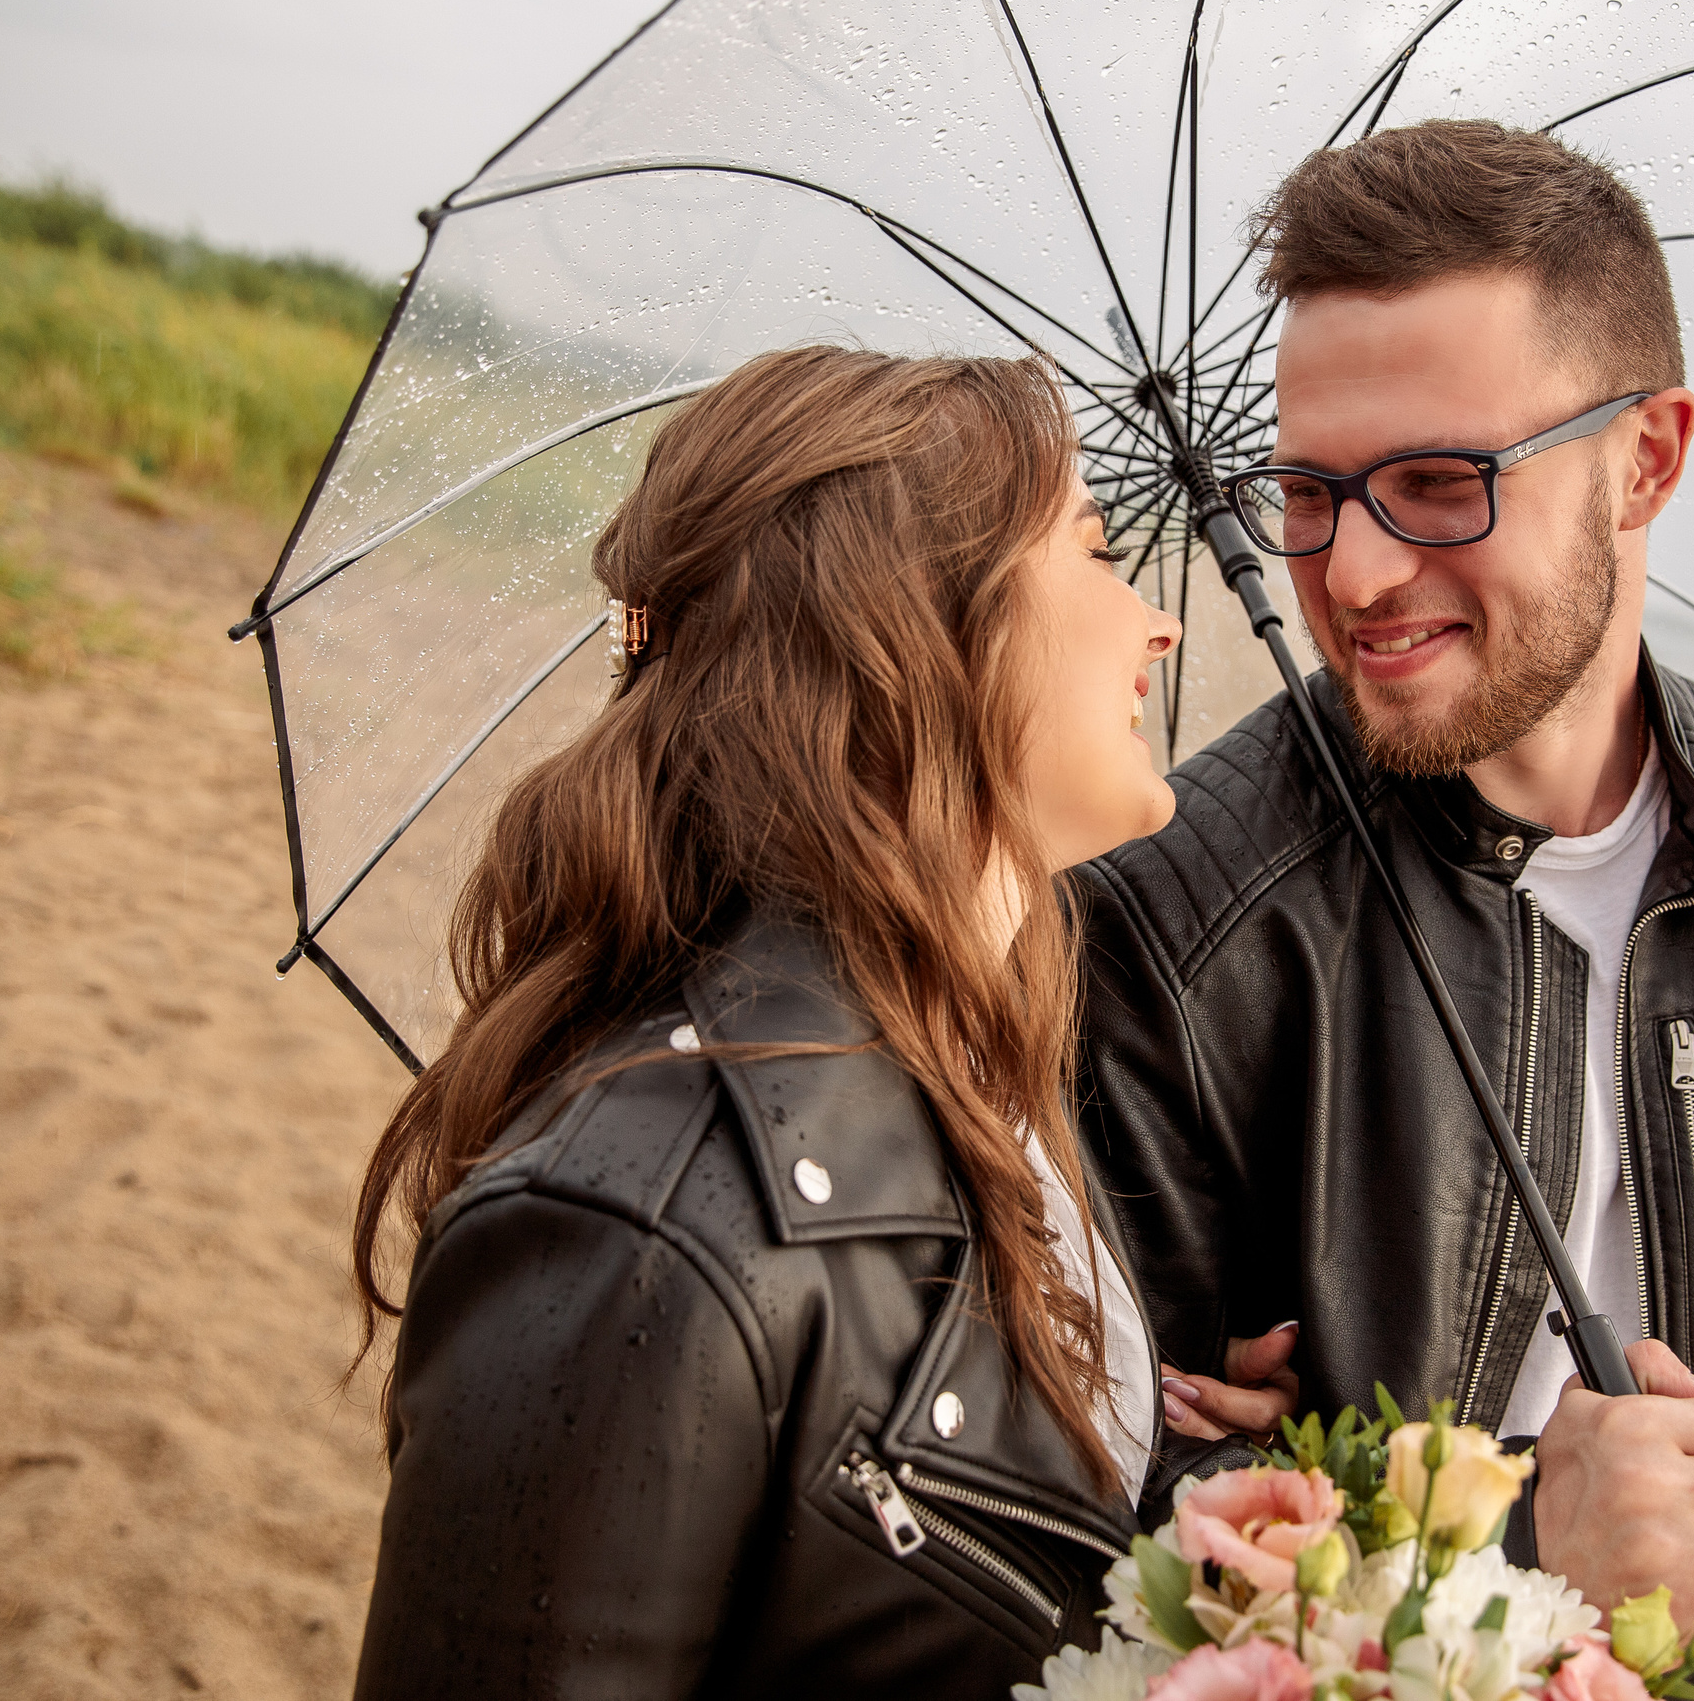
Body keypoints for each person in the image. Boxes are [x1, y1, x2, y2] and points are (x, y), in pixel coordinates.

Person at [1078, 122, 1694, 1700]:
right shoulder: (1179, 923)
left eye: (1437, 484)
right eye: (1307, 489)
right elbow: (1116, 1532)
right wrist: (1522, 1566)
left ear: (1650, 460)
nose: (1347, 576)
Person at [346, 344, 1187, 1698]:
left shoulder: (968, 1073)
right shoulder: (639, 1233)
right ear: (914, 624)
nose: (1161, 622)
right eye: (1094, 553)